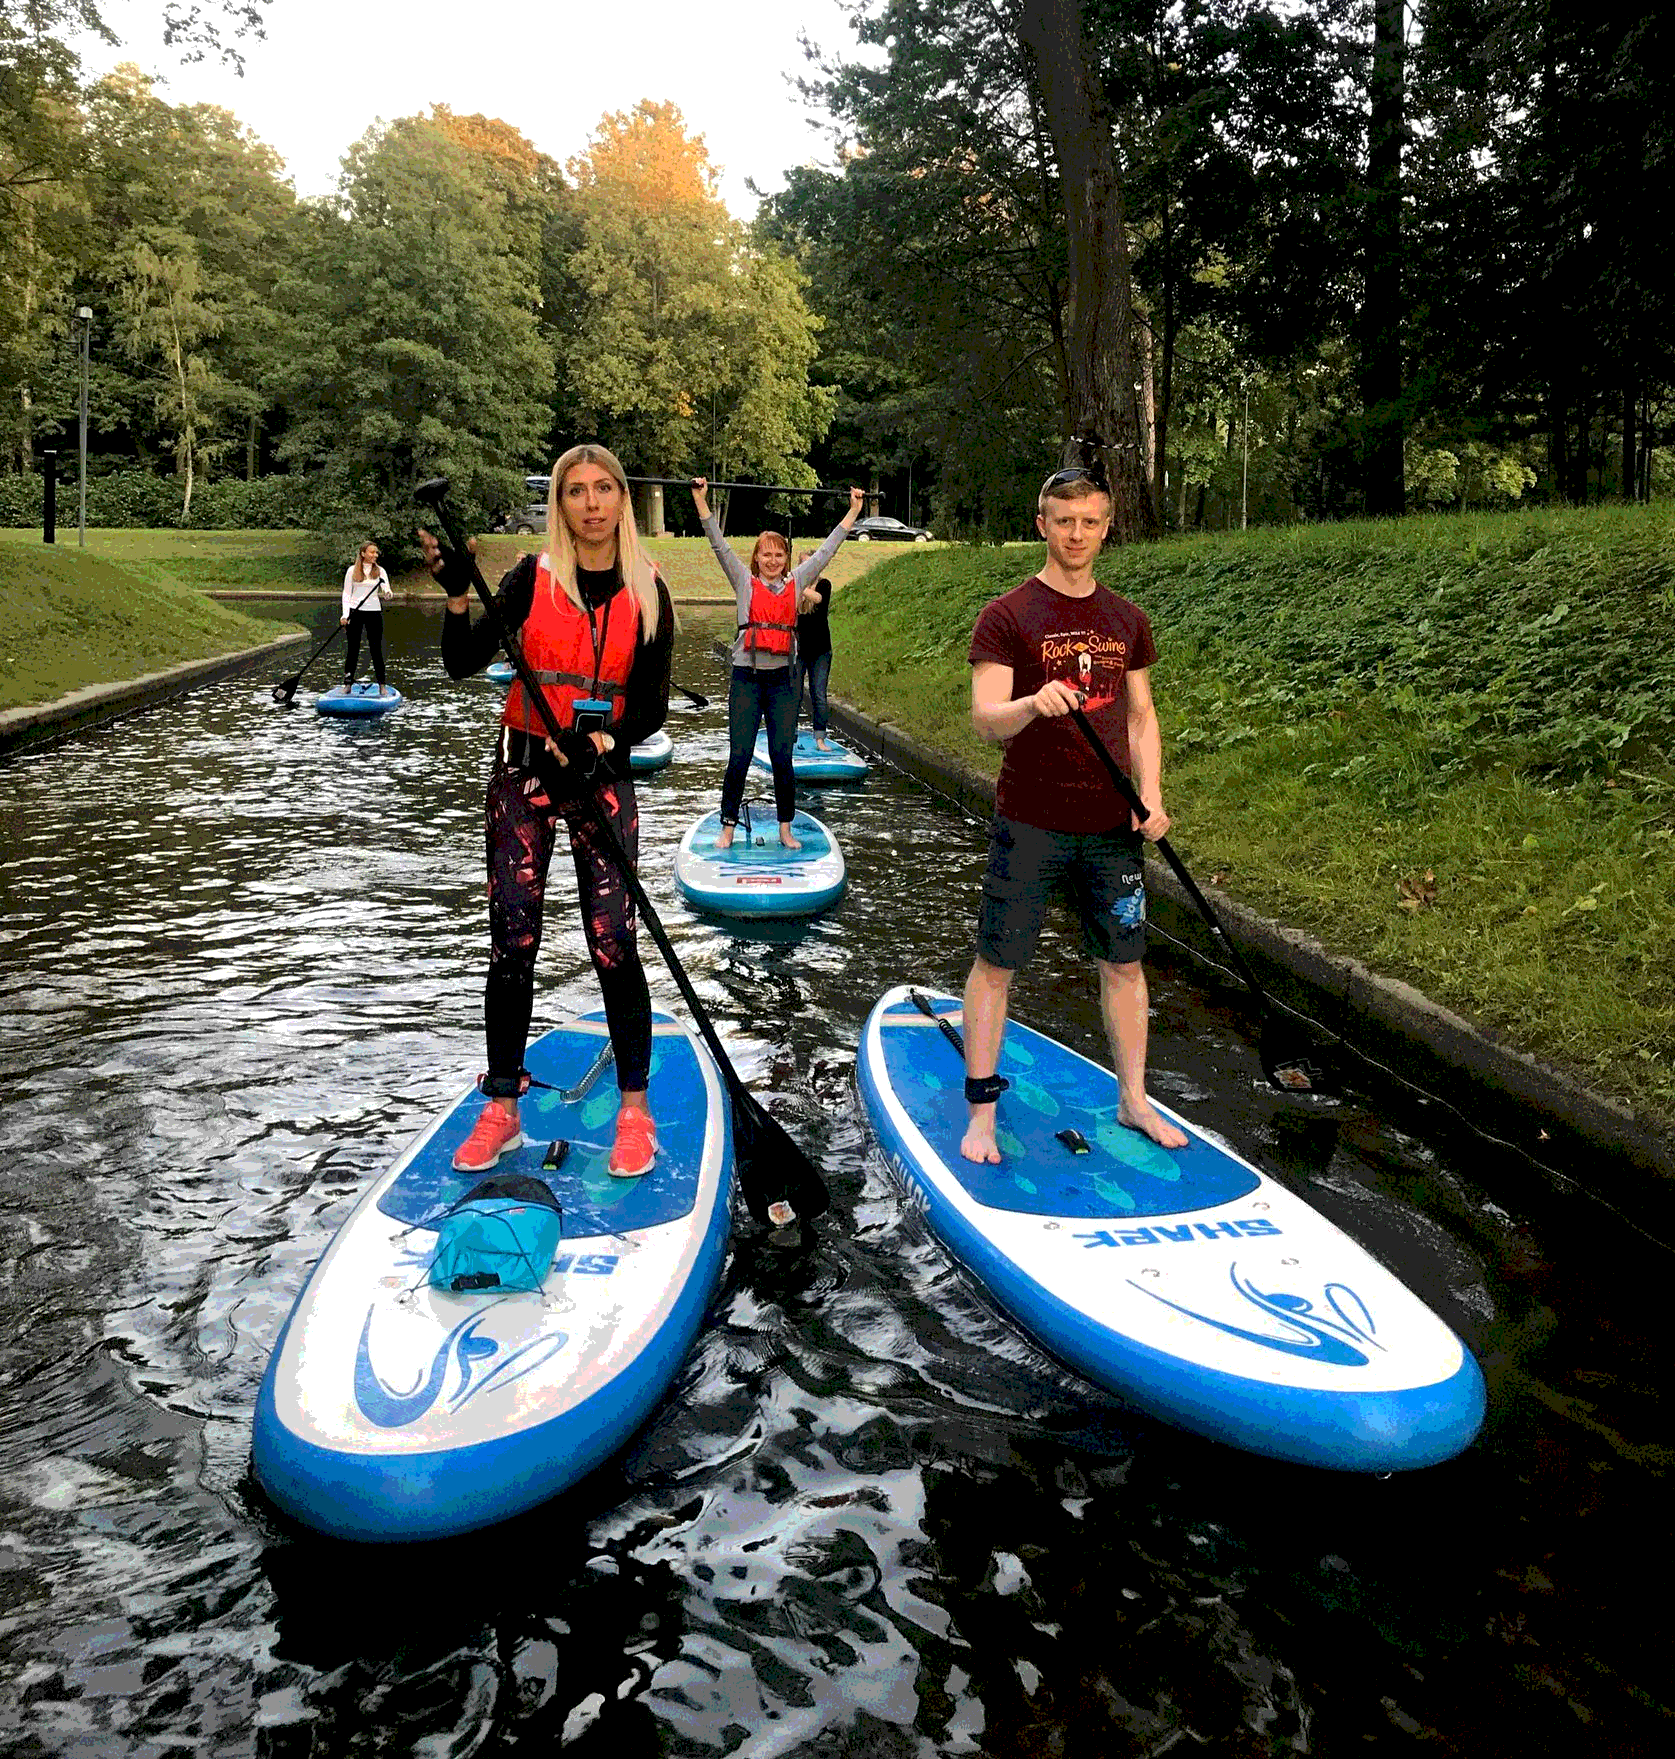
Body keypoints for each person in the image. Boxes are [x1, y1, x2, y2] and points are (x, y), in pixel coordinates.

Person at [424, 443, 674, 1178]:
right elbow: (461, 663)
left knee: (611, 941)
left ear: (622, 500)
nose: (591, 503)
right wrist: (457, 596)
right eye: (575, 491)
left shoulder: (649, 587)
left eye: (604, 489)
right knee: (513, 941)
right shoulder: (532, 577)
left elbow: (652, 704)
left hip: (598, 774)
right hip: (523, 773)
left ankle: (635, 1109)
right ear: (560, 505)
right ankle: (502, 1106)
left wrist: (606, 734)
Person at [960, 462, 1188, 1163]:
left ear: (1105, 526)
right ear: (1042, 525)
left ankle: (1133, 1098)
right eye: (1064, 521)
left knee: (1123, 962)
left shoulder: (1126, 619)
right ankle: (980, 1113)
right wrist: (1032, 702)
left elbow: (1142, 716)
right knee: (998, 962)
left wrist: (1150, 795)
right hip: (1030, 820)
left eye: (1089, 521)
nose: (1077, 534)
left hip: (1109, 828)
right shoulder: (1007, 615)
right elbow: (984, 719)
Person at [690, 478, 865, 849]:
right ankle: (728, 826)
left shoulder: (799, 579)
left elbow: (827, 551)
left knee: (782, 756)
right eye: (766, 555)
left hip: (784, 682)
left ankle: (785, 827)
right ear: (756, 558)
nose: (772, 561)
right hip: (747, 679)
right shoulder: (743, 581)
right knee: (739, 756)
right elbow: (718, 545)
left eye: (779, 554)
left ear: (786, 559)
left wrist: (853, 511)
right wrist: (701, 501)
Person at [793, 550, 836, 750]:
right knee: (794, 693)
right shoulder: (795, 591)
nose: (808, 569)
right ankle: (789, 735)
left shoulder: (823, 585)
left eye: (811, 565)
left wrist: (796, 584)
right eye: (804, 565)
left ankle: (820, 738)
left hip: (820, 651)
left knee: (818, 694)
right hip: (799, 650)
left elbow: (818, 599)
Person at [341, 542, 393, 693]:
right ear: (363, 553)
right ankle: (348, 684)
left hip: (374, 612)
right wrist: (345, 615)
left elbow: (386, 589)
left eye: (376, 553)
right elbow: (346, 594)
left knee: (376, 648)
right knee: (353, 649)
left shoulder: (380, 571)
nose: (375, 555)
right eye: (371, 552)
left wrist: (388, 594)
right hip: (355, 612)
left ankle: (382, 684)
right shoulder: (352, 571)